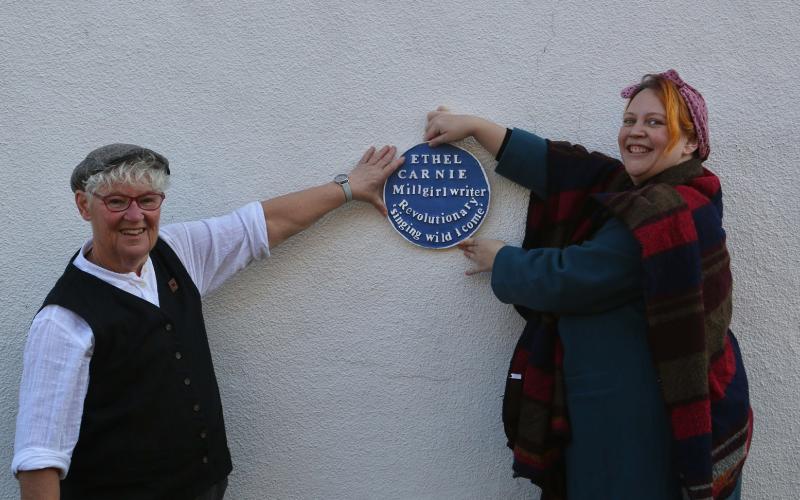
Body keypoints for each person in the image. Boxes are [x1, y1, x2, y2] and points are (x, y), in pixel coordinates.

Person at [424, 70, 753, 499]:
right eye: (630, 119)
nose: (636, 132)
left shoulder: (666, 213)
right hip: (623, 412)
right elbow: (569, 168)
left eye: (655, 122)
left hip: (637, 425)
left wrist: (499, 259)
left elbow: (569, 278)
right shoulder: (649, 192)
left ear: (692, 143)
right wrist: (477, 127)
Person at [13, 143, 404, 499]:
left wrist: (348, 188)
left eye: (148, 200)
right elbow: (39, 461)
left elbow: (260, 225)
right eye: (117, 202)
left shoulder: (176, 251)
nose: (135, 216)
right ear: (84, 206)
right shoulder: (63, 320)